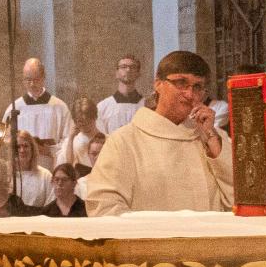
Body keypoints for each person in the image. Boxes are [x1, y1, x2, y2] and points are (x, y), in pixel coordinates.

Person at [80, 51, 232, 216]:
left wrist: (213, 142)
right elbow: (105, 208)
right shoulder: (123, 142)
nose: (189, 94)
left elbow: (239, 202)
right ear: (158, 84)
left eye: (197, 87)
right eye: (181, 82)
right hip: (152, 241)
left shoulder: (212, 139)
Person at [1, 57, 71, 168]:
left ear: (43, 78)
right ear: (23, 80)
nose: (32, 84)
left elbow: (68, 139)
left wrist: (49, 151)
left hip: (50, 165)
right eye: (28, 80)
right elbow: (6, 138)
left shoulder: (59, 107)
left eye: (36, 79)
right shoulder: (14, 108)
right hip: (23, 169)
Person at [95, 55, 145, 136]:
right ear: (116, 73)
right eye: (123, 67)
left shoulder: (146, 106)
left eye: (133, 67)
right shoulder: (103, 107)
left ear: (138, 74)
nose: (128, 70)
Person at [10, 130, 54, 209]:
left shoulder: (45, 175)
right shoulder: (6, 175)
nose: (22, 150)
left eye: (25, 146)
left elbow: (51, 206)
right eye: (18, 147)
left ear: (32, 149)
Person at [57, 96, 99, 169]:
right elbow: (68, 167)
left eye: (88, 121)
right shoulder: (70, 141)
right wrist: (71, 139)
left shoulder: (107, 139)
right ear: (75, 121)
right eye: (80, 121)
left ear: (95, 118)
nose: (84, 125)